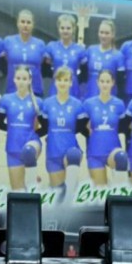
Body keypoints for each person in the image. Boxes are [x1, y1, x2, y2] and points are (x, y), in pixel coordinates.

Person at [38, 66, 87, 195]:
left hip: (71, 151)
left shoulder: (77, 105)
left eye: (66, 80)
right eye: (59, 80)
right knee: (58, 193)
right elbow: (44, 128)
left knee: (70, 191)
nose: (62, 83)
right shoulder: (47, 104)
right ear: (55, 82)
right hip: (53, 152)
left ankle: (73, 190)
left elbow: (82, 128)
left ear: (71, 83)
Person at [0, 65, 42, 190]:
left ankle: (32, 179)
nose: (21, 81)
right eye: (18, 78)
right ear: (14, 79)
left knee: (28, 152)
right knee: (18, 191)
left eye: (24, 79)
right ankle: (31, 180)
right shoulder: (6, 100)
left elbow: (44, 125)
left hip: (31, 142)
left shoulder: (38, 102)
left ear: (29, 80)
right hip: (13, 147)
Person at [82, 69, 128, 187]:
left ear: (113, 83)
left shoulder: (119, 104)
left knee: (121, 157)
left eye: (108, 81)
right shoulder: (88, 104)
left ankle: (120, 191)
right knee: (101, 192)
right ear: (97, 82)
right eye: (102, 81)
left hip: (113, 151)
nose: (105, 84)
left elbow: (124, 129)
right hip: (95, 152)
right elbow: (83, 128)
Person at [2, 9, 45, 96]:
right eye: (22, 22)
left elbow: (44, 61)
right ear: (17, 23)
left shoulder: (40, 44)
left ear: (33, 25)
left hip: (34, 91)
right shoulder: (8, 41)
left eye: (28, 22)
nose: (25, 25)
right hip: (13, 90)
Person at [44, 14, 86, 97]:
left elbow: (84, 73)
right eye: (62, 28)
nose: (65, 31)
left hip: (73, 88)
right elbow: (46, 69)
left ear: (74, 29)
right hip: (56, 87)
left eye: (68, 28)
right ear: (58, 29)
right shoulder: (51, 46)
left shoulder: (80, 49)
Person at [83, 20, 124, 99]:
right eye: (101, 32)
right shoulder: (90, 50)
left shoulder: (118, 55)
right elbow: (83, 75)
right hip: (90, 95)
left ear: (113, 34)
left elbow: (120, 82)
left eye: (107, 33)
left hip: (109, 98)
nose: (103, 36)